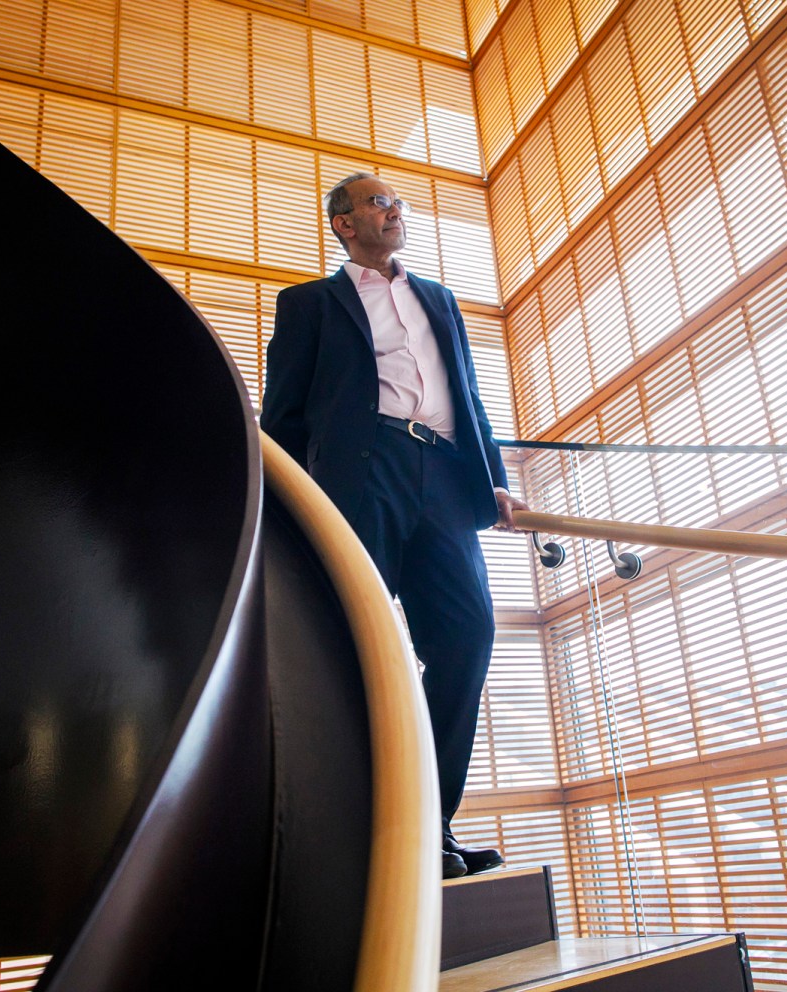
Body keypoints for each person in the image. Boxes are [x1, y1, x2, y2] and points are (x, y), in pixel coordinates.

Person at [260, 172, 529, 879]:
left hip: (442, 472)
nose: (393, 208)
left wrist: (493, 479)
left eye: (396, 201)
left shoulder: (438, 299)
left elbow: (469, 395)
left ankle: (427, 823)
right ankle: (352, 819)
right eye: (377, 201)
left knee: (468, 634)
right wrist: (288, 507)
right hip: (362, 468)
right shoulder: (310, 304)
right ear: (344, 224)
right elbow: (282, 415)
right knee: (355, 641)